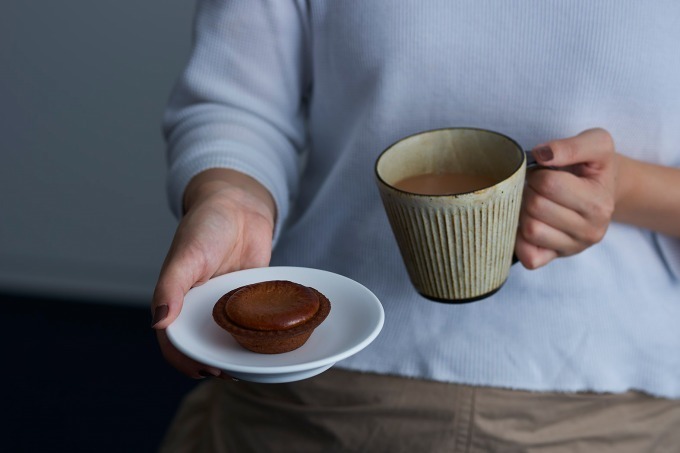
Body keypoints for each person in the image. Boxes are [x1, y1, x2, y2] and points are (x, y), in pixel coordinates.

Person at [151, 1, 680, 451]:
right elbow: (238, 101)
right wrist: (232, 198)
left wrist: (625, 189)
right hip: (315, 379)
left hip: (613, 407)